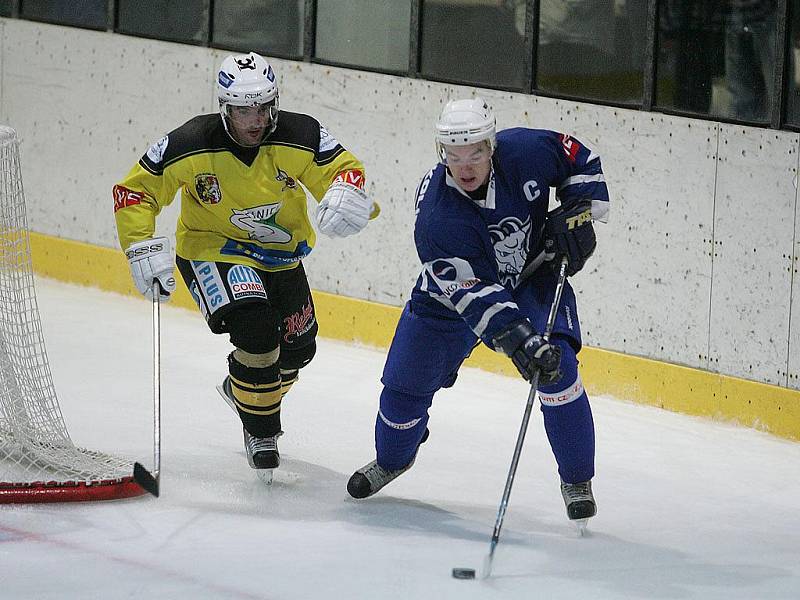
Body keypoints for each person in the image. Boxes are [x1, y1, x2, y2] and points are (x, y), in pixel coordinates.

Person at [114, 51, 376, 479]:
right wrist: (139, 245)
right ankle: (262, 432)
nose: (255, 120)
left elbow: (342, 171)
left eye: (263, 108)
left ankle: (244, 390)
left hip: (280, 254)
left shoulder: (302, 134)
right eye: (242, 110)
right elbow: (135, 190)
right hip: (212, 249)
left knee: (299, 347)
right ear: (225, 108)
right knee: (257, 330)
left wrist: (351, 196)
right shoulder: (190, 142)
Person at [347, 97, 609, 525]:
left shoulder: (526, 150)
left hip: (529, 274)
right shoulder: (437, 219)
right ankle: (393, 459)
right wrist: (522, 342)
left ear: (492, 146)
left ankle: (577, 479)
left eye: (475, 153)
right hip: (447, 301)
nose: (465, 166)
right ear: (442, 154)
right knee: (401, 395)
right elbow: (479, 299)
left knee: (558, 366)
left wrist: (578, 210)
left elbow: (580, 158)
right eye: (453, 155)